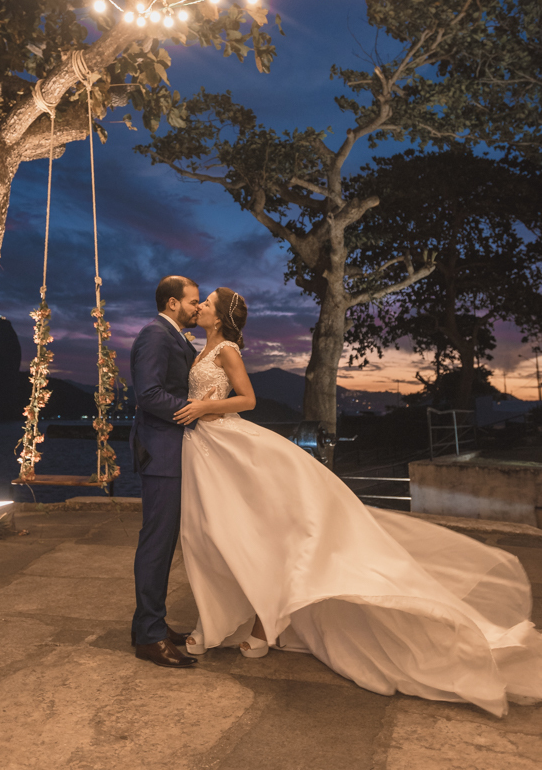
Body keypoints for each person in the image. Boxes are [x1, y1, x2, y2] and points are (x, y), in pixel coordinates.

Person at [173, 287, 542, 716]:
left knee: (251, 535)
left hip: (232, 448)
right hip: (208, 453)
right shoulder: (203, 348)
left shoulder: (228, 350)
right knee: (212, 536)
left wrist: (202, 408)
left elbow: (248, 400)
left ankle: (260, 625)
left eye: (206, 303)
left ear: (217, 316)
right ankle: (219, 620)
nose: (198, 306)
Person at [129, 275, 202, 668]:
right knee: (157, 542)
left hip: (172, 452)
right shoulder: (155, 335)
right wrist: (195, 413)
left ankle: (148, 623)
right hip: (161, 453)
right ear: (173, 303)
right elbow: (149, 393)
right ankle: (149, 636)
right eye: (192, 301)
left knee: (164, 540)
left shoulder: (175, 337)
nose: (197, 307)